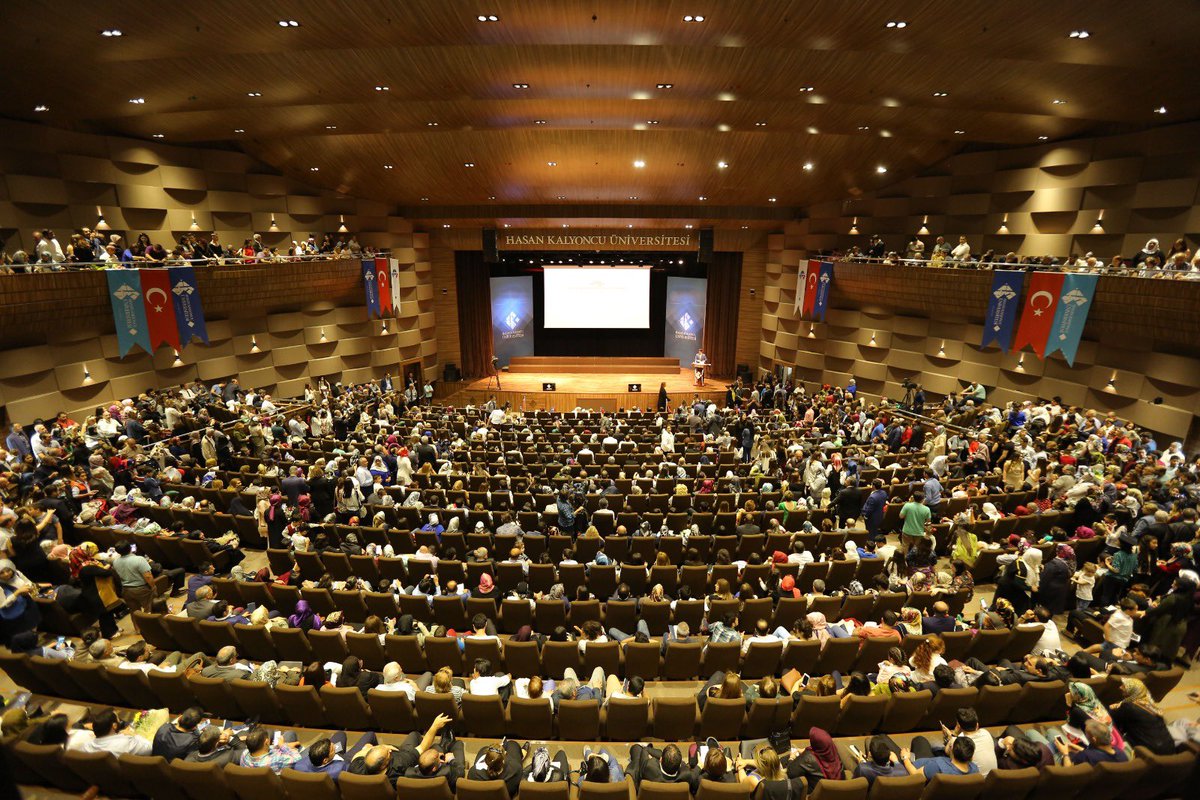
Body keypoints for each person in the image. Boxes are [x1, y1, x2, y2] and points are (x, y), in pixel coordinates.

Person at [1109, 677, 1174, 755]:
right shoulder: (1150, 704)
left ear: (1132, 691)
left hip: (1148, 751)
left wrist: (1112, 708)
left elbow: (1111, 717)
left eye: (1124, 686)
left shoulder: (1129, 707)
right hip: (1169, 747)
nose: (1120, 687)